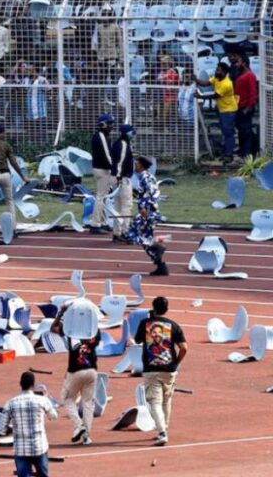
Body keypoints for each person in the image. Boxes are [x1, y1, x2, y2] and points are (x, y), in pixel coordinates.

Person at [134, 296, 187, 446]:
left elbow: (137, 340)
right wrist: (176, 362)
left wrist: (149, 320)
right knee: (166, 400)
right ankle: (164, 427)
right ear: (167, 309)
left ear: (153, 307)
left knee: (154, 401)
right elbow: (184, 348)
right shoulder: (174, 325)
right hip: (169, 369)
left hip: (151, 369)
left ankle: (162, 432)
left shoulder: (145, 323)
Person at [50, 304, 101, 446]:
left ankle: (79, 425)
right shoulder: (95, 330)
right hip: (92, 370)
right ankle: (86, 437)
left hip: (75, 370)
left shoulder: (69, 329)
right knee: (88, 404)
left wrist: (61, 313)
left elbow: (53, 328)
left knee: (67, 398)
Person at [0, 371, 58, 477]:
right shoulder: (42, 400)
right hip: (39, 446)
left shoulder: (10, 403)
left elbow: (1, 429)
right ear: (33, 385)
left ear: (20, 384)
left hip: (21, 449)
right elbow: (53, 416)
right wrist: (46, 397)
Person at [126, 156, 169, 276]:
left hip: (147, 212)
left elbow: (149, 194)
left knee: (135, 234)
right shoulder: (148, 177)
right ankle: (160, 264)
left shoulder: (145, 178)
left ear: (141, 165)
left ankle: (156, 249)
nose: (135, 166)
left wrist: (144, 208)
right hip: (150, 211)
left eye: (137, 164)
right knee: (141, 235)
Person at [89, 113, 116, 234]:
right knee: (101, 197)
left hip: (101, 168)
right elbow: (107, 155)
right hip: (102, 169)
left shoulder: (101, 136)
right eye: (109, 124)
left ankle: (103, 222)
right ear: (103, 124)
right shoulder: (101, 136)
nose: (111, 126)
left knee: (103, 197)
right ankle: (95, 224)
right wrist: (114, 168)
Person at [110, 123, 136, 241]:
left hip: (117, 177)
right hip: (122, 178)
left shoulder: (118, 143)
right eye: (131, 132)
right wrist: (119, 177)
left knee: (118, 206)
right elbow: (119, 163)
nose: (133, 134)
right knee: (126, 205)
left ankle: (117, 232)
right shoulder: (123, 145)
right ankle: (126, 232)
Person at [230, 54, 258, 158]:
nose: (236, 65)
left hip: (245, 107)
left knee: (246, 131)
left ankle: (248, 152)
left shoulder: (250, 75)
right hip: (238, 106)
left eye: (238, 62)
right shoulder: (241, 75)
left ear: (244, 63)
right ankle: (243, 150)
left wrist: (249, 107)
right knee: (241, 130)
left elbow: (253, 92)